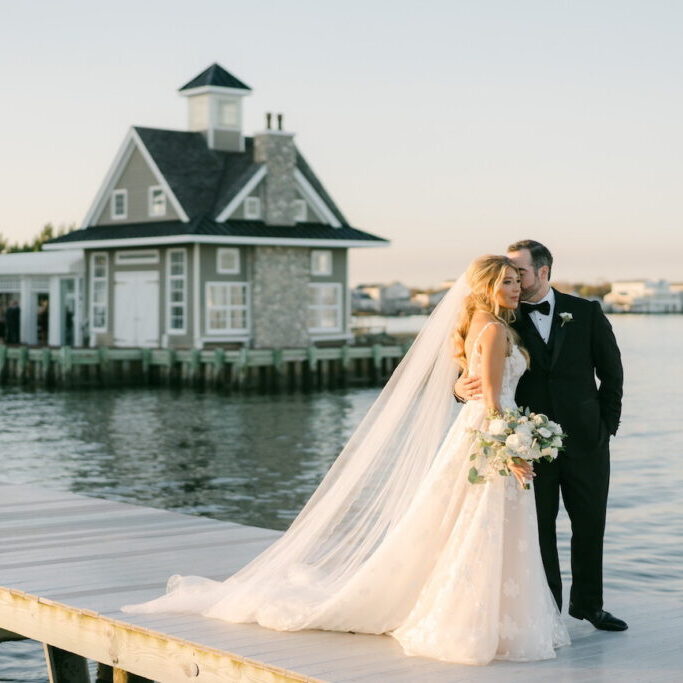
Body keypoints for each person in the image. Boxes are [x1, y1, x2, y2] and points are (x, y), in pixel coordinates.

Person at [124, 255, 570, 665]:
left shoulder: (480, 323)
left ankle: (485, 612)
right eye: (507, 282)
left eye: (517, 280)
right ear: (487, 286)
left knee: (467, 525)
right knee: (481, 524)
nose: (515, 288)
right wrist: (510, 452)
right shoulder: (492, 329)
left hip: (477, 435)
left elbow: (477, 391)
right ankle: (482, 618)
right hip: (489, 438)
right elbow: (492, 401)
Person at [455, 240, 626, 632]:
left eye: (521, 273)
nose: (514, 281)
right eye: (509, 276)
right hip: (526, 444)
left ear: (544, 271)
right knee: (538, 528)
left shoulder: (585, 312)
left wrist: (605, 429)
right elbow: (476, 374)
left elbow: (612, 373)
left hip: (587, 441)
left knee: (589, 524)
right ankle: (547, 611)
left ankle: (590, 606)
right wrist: (458, 389)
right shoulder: (502, 316)